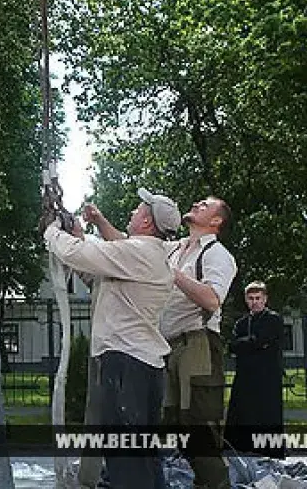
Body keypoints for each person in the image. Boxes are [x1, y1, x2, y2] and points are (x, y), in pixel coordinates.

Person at [44, 188, 182, 489]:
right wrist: (80, 235)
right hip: (144, 366)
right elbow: (99, 274)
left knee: (126, 458)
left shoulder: (137, 251)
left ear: (146, 222)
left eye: (136, 210)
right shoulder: (152, 257)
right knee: (143, 455)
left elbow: (75, 253)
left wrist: (52, 232)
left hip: (125, 365)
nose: (132, 213)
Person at [158, 196, 237, 488]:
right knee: (177, 426)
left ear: (216, 221)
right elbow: (133, 247)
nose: (196, 204)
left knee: (199, 427)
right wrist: (97, 223)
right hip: (172, 347)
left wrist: (174, 275)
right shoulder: (177, 247)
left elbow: (212, 300)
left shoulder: (217, 255)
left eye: (205, 205)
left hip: (198, 344)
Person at [225, 281, 285, 457]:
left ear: (265, 299)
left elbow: (263, 340)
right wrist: (253, 343)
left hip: (268, 377)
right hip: (245, 376)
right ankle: (241, 451)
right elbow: (233, 346)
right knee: (243, 414)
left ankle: (270, 453)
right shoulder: (242, 323)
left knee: (267, 416)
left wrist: (249, 343)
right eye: (251, 298)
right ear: (246, 300)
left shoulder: (274, 319)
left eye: (258, 298)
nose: (255, 302)